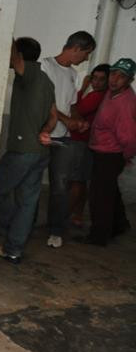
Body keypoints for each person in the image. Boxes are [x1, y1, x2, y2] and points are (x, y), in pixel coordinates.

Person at [0, 38, 57, 264]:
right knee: (27, 202)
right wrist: (45, 131)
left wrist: (7, 32)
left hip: (22, 150)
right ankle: (14, 249)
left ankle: (10, 230)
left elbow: (15, 58)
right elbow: (53, 116)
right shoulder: (47, 80)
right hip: (39, 151)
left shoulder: (29, 74)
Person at [39, 30, 96, 249]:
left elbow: (71, 104)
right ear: (75, 49)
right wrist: (66, 120)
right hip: (43, 135)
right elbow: (46, 103)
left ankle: (55, 229)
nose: (86, 59)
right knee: (32, 183)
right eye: (86, 53)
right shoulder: (45, 66)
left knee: (60, 186)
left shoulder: (73, 74)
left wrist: (78, 120)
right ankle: (23, 225)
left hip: (63, 138)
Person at [85, 57, 136, 246]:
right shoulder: (111, 92)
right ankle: (119, 224)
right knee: (110, 191)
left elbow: (130, 138)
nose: (115, 79)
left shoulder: (126, 104)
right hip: (103, 151)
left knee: (100, 197)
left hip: (110, 155)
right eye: (113, 74)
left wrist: (126, 156)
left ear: (129, 80)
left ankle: (98, 236)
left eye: (121, 76)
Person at [68, 63, 109, 227]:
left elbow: (74, 108)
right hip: (88, 142)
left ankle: (64, 215)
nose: (96, 82)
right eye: (94, 78)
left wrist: (83, 87)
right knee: (82, 181)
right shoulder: (104, 95)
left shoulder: (96, 96)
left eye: (101, 79)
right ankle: (77, 215)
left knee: (76, 181)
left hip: (81, 141)